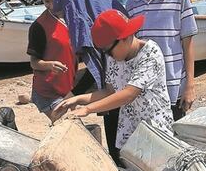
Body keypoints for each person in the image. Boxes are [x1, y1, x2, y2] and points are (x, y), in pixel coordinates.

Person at [52, 9, 171, 161]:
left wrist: (87, 109)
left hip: (155, 132)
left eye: (108, 50)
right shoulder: (114, 57)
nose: (108, 55)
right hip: (130, 133)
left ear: (126, 37)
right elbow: (110, 92)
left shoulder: (150, 54)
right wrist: (78, 99)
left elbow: (128, 94)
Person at [125, 0, 198, 122]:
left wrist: (190, 84)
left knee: (174, 141)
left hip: (174, 86)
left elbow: (187, 43)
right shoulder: (132, 3)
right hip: (146, 89)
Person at [27, 0, 77, 119]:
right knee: (68, 128)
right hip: (47, 92)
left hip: (66, 88)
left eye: (54, 1)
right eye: (46, 2)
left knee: (73, 129)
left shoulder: (74, 18)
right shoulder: (39, 26)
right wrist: (49, 65)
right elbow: (34, 63)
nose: (51, 6)